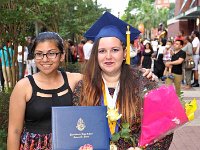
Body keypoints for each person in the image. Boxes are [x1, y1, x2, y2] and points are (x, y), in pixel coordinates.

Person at [73, 11, 173, 150]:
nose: (108, 56)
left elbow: (164, 131)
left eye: (114, 50)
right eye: (102, 51)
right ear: (96, 55)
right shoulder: (84, 87)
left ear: (124, 52)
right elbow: (77, 130)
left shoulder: (144, 83)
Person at [7, 32, 83, 149]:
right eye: (39, 54)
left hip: (67, 144)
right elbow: (14, 131)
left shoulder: (75, 80)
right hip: (33, 146)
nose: (45, 59)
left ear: (62, 56)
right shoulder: (23, 87)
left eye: (51, 53)